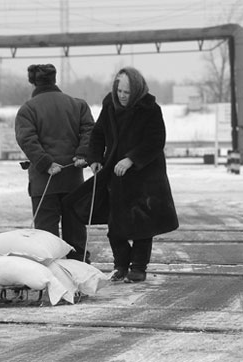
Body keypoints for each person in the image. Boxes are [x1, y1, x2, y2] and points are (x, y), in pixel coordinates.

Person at [64, 66, 179, 282]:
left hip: (145, 176)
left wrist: (131, 159)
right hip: (114, 174)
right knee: (115, 224)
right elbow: (98, 134)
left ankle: (138, 267)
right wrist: (95, 158)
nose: (122, 96)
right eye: (119, 91)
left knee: (143, 225)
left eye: (127, 92)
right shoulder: (110, 104)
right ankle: (121, 265)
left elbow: (155, 141)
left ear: (136, 90)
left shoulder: (150, 109)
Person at [15, 63, 95, 262]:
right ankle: (78, 272)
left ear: (33, 82)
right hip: (73, 180)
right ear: (54, 79)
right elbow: (89, 130)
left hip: (44, 183)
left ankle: (52, 275)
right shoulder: (78, 105)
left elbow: (27, 139)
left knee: (47, 237)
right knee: (75, 232)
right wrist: (82, 154)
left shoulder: (27, 109)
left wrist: (45, 163)